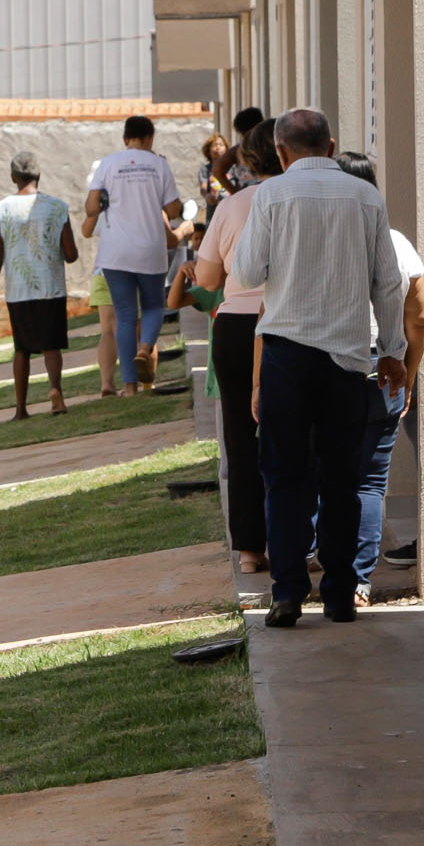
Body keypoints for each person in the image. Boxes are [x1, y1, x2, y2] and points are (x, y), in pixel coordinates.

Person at [230, 108, 409, 627]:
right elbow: (388, 282)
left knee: (284, 476)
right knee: (342, 478)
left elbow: (245, 271)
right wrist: (393, 350)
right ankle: (338, 594)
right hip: (349, 358)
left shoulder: (272, 195)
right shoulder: (366, 197)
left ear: (281, 153)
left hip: (287, 354)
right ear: (331, 147)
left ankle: (287, 593)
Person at [332, 151, 424, 600]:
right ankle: (359, 580)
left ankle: (327, 564)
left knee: (328, 472)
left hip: (329, 365)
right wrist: (409, 373)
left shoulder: (320, 242)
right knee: (371, 480)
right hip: (382, 367)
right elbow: (421, 319)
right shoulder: (396, 242)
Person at [188, 117, 282, 571]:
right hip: (293, 323)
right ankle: (301, 538)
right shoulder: (303, 200)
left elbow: (206, 279)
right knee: (300, 434)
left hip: (237, 325)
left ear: (247, 159)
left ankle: (249, 548)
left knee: (241, 437)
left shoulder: (232, 205)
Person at [83, 114, 184, 395]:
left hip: (114, 253)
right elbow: (174, 210)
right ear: (150, 138)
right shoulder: (158, 164)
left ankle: (129, 386)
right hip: (151, 248)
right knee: (153, 307)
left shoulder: (107, 164)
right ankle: (145, 348)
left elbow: (91, 208)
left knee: (125, 315)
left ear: (125, 138)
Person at [0, 149, 77, 421]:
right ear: (39, 175)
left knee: (22, 349)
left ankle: (21, 408)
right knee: (51, 346)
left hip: (19, 291)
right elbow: (71, 254)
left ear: (13, 177)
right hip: (51, 288)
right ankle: (55, 390)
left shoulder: (0, 210)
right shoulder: (57, 208)